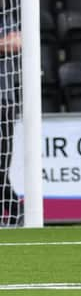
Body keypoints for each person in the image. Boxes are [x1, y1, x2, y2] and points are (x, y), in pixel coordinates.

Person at [0, 28, 21, 226]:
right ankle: (17, 211)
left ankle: (16, 210)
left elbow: (16, 42)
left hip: (3, 101)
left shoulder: (6, 18)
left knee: (1, 166)